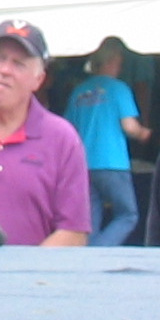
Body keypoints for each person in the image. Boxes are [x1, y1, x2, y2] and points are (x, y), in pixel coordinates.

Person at [0, 19, 91, 247]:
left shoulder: (62, 139)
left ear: (39, 79)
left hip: (31, 280)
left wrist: (23, 277)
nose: (4, 70)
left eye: (18, 63)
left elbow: (74, 232)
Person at [65, 37, 150, 246]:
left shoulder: (79, 91)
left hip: (84, 164)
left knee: (90, 219)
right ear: (113, 61)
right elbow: (129, 126)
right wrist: (144, 134)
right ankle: (99, 252)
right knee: (128, 215)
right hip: (113, 163)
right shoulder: (119, 88)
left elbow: (68, 129)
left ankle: (88, 257)